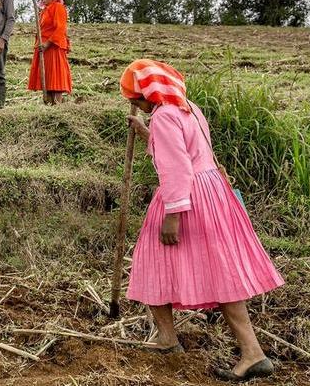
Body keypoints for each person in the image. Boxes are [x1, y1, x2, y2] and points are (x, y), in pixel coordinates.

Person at [120, 59, 284, 381]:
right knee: (219, 271)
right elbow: (185, 149)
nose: (132, 102)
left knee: (151, 262)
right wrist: (146, 132)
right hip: (211, 193)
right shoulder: (187, 108)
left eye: (134, 96)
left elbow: (177, 168)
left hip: (186, 198)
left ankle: (171, 340)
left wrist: (173, 215)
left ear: (149, 94)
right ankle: (251, 351)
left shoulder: (165, 116)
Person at [28, 0, 72, 104]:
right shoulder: (43, 10)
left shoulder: (58, 7)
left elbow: (60, 28)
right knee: (48, 77)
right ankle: (50, 104)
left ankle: (57, 105)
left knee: (55, 77)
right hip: (43, 47)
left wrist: (47, 44)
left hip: (54, 47)